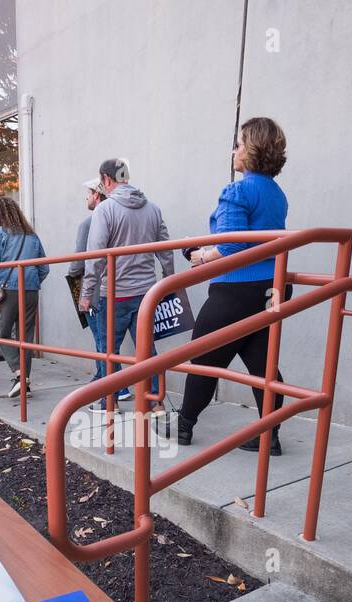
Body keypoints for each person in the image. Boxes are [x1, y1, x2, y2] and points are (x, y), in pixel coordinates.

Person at [179, 117, 291, 456]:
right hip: (271, 287)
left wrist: (197, 255)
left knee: (202, 357)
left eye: (239, 145)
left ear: (252, 150)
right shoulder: (276, 194)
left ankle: (183, 425)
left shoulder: (237, 190)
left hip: (236, 289)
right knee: (262, 364)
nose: (234, 151)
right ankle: (269, 434)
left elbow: (231, 246)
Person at [79, 158, 174, 408]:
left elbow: (95, 257)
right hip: (146, 293)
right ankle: (155, 402)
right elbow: (166, 250)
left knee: (108, 350)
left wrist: (86, 293)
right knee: (147, 350)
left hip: (115, 293)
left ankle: (108, 402)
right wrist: (169, 282)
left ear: (107, 180)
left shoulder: (105, 210)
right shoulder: (152, 209)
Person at [0, 196, 48, 398]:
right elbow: (44, 268)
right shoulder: (31, 235)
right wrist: (32, 282)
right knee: (25, 338)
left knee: (2, 333)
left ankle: (19, 375)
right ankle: (24, 382)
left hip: (7, 290)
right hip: (30, 291)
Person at [68, 178, 109, 382]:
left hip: (94, 289)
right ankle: (117, 384)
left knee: (101, 339)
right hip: (118, 287)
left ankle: (107, 382)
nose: (86, 197)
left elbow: (79, 260)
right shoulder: (117, 217)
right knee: (108, 340)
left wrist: (71, 272)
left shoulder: (88, 223)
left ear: (97, 194)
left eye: (89, 192)